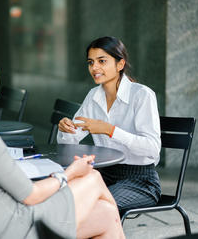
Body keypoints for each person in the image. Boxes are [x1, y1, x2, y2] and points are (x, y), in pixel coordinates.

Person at [0, 54, 125, 239]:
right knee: (92, 177)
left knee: (106, 215)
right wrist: (69, 173)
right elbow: (31, 195)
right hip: (16, 228)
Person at [57, 36, 161, 214]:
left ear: (120, 64)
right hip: (102, 174)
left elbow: (152, 149)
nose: (94, 68)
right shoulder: (93, 96)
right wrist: (65, 129)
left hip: (140, 180)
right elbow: (68, 142)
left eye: (102, 61)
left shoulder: (142, 95)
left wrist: (110, 130)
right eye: (91, 62)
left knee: (92, 208)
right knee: (59, 200)